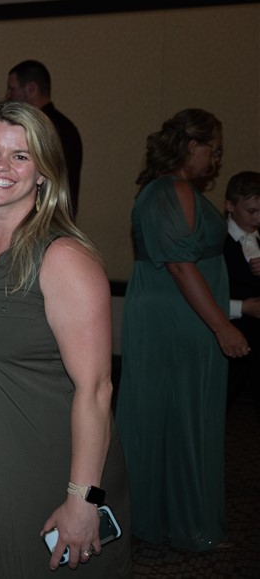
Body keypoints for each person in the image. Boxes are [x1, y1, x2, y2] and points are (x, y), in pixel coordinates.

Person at [0, 100, 132, 576]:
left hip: (54, 470)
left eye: (20, 156)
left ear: (44, 172)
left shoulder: (63, 258)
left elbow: (97, 389)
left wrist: (84, 499)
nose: (1, 167)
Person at [116, 109, 249, 552]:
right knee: (179, 416)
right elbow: (178, 264)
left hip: (179, 315)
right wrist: (222, 326)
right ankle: (184, 524)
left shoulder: (170, 189)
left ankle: (170, 519)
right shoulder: (171, 190)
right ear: (192, 146)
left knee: (175, 416)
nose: (216, 159)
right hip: (180, 319)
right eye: (213, 149)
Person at [6, 60, 82, 216]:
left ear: (31, 88)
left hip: (42, 222)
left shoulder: (48, 130)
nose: (8, 96)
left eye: (12, 89)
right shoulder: (65, 126)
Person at [223, 170, 260, 414]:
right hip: (230, 334)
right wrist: (242, 307)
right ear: (230, 206)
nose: (258, 218)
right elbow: (203, 294)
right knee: (223, 397)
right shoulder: (217, 243)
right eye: (251, 211)